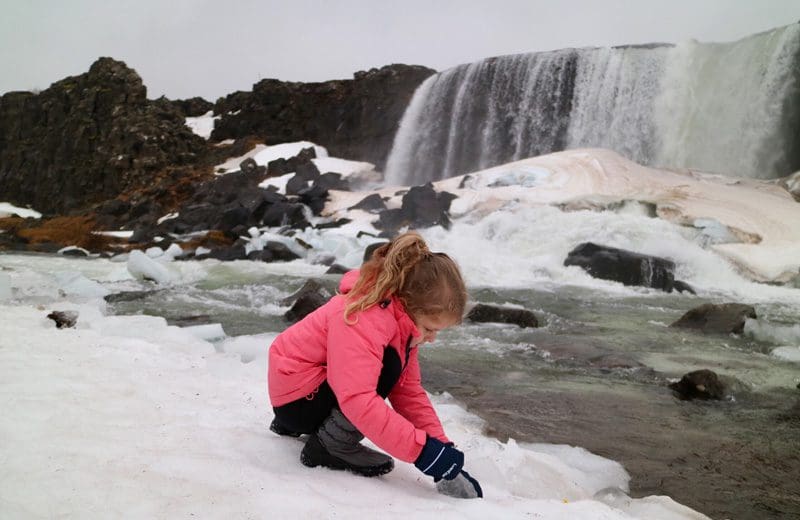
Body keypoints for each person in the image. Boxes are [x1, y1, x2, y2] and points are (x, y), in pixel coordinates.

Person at [268, 231, 482, 498]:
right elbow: (358, 398)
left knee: (390, 370)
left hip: (299, 390)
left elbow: (409, 392)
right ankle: (330, 446)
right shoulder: (365, 318)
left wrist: (441, 449)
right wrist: (422, 452)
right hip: (297, 399)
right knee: (386, 368)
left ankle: (303, 425)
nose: (432, 338)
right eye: (429, 328)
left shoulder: (398, 322)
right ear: (407, 304)